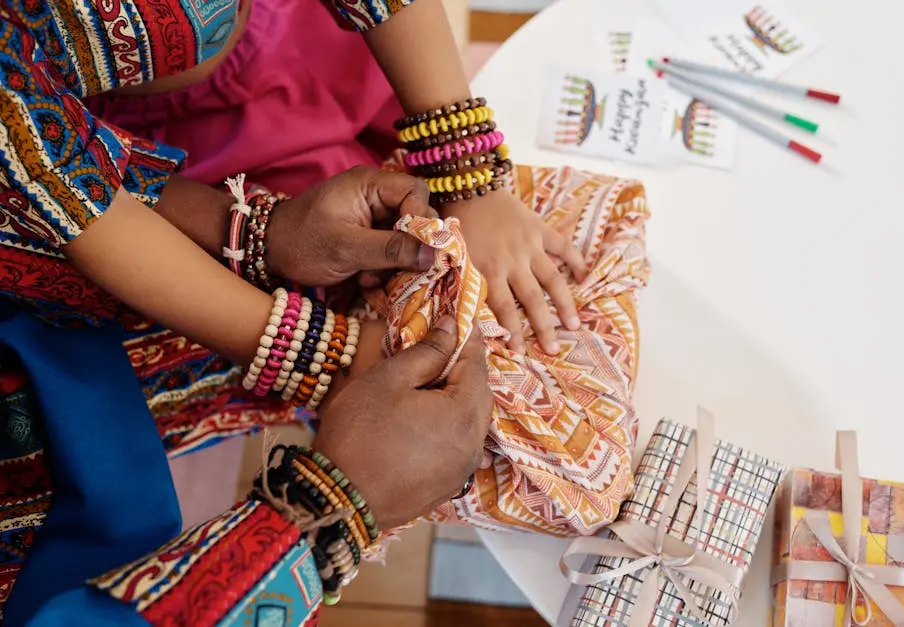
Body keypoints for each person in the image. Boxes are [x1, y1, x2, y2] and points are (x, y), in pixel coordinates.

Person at [0, 0, 648, 623]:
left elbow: (59, 165)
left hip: (211, 140)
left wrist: (462, 169)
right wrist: (328, 496)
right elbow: (48, 173)